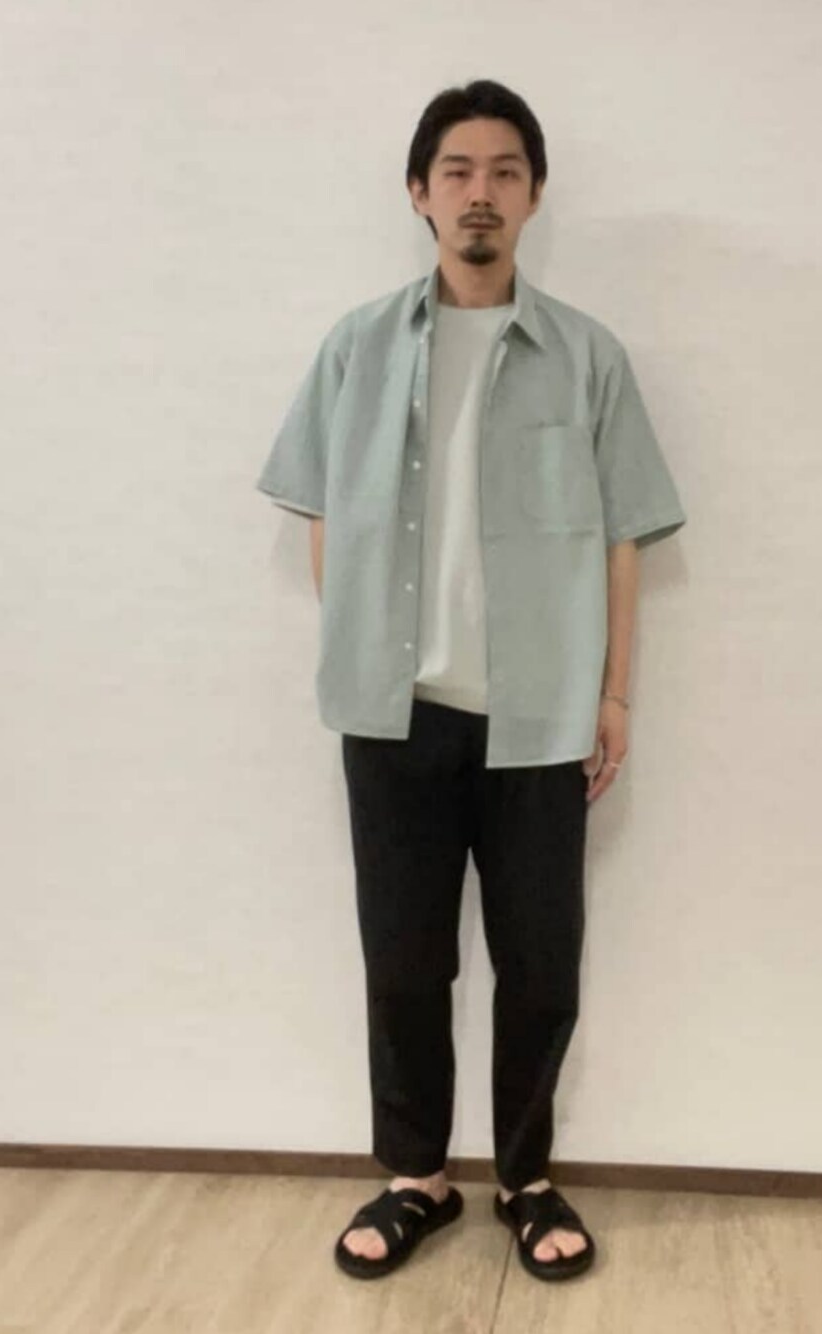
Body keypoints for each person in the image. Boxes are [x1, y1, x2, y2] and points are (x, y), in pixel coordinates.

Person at [256, 78, 687, 1283]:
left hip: (539, 721)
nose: (479, 191)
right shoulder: (356, 346)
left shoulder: (586, 355)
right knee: (403, 957)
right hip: (394, 714)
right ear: (418, 192)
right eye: (456, 170)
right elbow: (322, 509)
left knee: (540, 962)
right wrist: (357, 644)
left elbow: (624, 534)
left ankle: (526, 1175)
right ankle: (416, 1175)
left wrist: (613, 696)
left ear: (534, 195)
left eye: (504, 171)